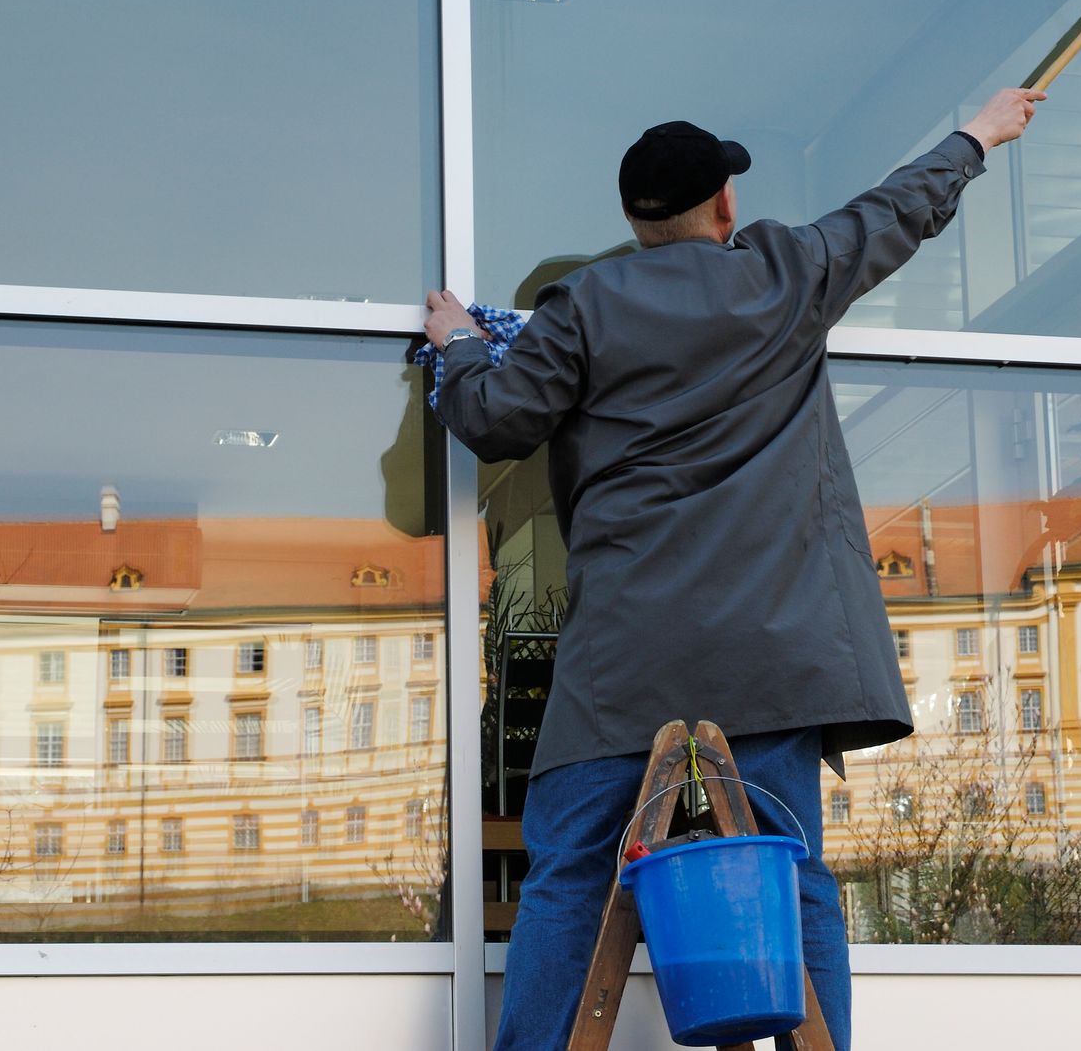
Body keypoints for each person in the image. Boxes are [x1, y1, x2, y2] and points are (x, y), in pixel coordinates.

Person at [426, 87, 1043, 1050]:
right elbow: (894, 212)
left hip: (621, 668)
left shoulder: (583, 305)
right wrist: (977, 133)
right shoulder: (785, 271)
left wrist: (458, 344)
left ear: (635, 223)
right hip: (771, 667)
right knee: (791, 881)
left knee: (569, 882)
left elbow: (494, 416)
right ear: (724, 207)